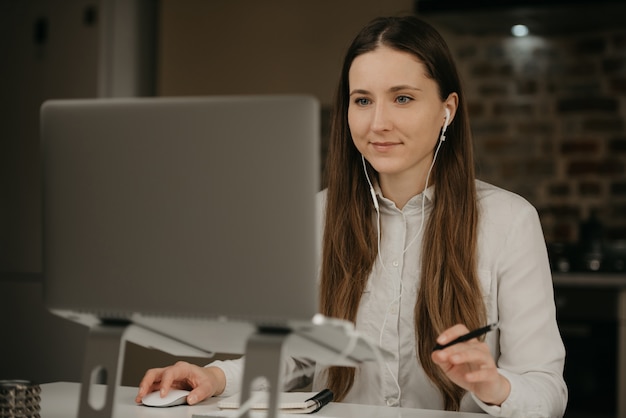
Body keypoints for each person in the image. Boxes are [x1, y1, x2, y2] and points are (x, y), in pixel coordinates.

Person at [135, 15, 567, 417]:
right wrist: (216, 376)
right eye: (362, 100)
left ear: (447, 110)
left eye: (402, 98)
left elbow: (547, 391)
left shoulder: (509, 221)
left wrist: (494, 386)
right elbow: (300, 351)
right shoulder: (316, 216)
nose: (378, 122)